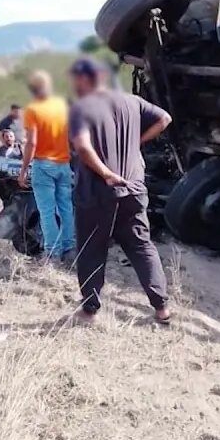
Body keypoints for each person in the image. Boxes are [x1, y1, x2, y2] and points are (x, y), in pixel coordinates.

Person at [66, 56, 173, 325]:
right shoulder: (131, 101)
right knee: (140, 245)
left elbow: (82, 145)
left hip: (97, 190)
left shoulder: (80, 108)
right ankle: (162, 308)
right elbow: (165, 118)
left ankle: (90, 310)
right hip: (135, 187)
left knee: (91, 248)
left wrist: (106, 173)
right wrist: (136, 143)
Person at [18, 71, 75, 261]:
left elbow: (32, 143)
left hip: (44, 164)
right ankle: (69, 248)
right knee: (66, 208)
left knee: (47, 211)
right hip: (64, 163)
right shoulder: (61, 107)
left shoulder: (33, 109)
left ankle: (52, 252)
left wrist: (24, 169)